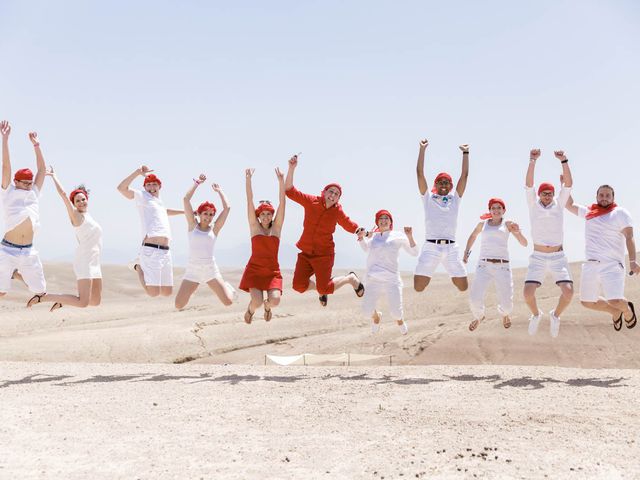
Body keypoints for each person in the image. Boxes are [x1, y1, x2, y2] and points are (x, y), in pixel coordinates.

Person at [284, 154, 365, 306]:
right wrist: (291, 168)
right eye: (331, 191)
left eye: (336, 194)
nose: (333, 195)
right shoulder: (311, 201)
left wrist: (358, 230)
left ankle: (350, 279)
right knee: (298, 286)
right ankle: (322, 290)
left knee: (325, 287)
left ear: (338, 199)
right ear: (324, 192)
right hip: (306, 253)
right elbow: (289, 191)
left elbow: (348, 224)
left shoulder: (337, 211)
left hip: (324, 255)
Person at [26, 167, 102, 310]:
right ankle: (44, 297)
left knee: (96, 301)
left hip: (95, 261)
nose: (81, 202)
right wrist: (54, 176)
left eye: (83, 199)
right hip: (85, 261)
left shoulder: (89, 216)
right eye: (77, 201)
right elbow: (63, 194)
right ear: (73, 204)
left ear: (87, 199)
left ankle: (65, 300)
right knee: (83, 303)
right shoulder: (76, 216)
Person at [566, 185, 638, 330]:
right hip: (591, 265)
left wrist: (633, 261)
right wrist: (566, 187)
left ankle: (626, 309)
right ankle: (614, 311)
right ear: (597, 196)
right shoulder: (589, 212)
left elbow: (629, 237)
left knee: (615, 300)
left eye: (607, 196)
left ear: (613, 198)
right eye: (601, 195)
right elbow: (569, 205)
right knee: (586, 302)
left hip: (612, 265)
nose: (604, 198)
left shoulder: (620, 213)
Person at [523, 149, 574, 337]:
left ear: (553, 194)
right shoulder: (533, 204)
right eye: (543, 193)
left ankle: (555, 315)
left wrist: (564, 160)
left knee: (568, 293)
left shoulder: (559, 204)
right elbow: (528, 184)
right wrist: (532, 160)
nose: (546, 195)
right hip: (538, 256)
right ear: (539, 194)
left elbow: (568, 184)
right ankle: (536, 315)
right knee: (528, 294)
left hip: (557, 256)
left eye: (549, 193)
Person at [117, 166, 183, 297]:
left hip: (165, 250)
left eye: (154, 184)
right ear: (145, 187)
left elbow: (165, 211)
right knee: (153, 293)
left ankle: (141, 264)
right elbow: (121, 188)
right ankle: (138, 266)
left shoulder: (159, 202)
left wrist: (187, 213)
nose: (151, 187)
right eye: (148, 184)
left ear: (159, 186)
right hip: (150, 250)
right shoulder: (142, 196)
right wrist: (137, 172)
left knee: (167, 292)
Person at [463, 198, 528, 331]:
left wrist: (517, 232)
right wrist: (466, 253)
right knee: (474, 299)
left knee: (507, 305)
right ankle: (479, 317)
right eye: (493, 208)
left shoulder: (508, 224)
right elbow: (473, 236)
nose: (496, 210)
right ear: (490, 210)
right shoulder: (483, 224)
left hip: (502, 267)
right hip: (483, 265)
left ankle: (504, 315)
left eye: (499, 208)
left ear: (504, 210)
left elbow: (524, 243)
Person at [414, 139, 470, 293]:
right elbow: (419, 173)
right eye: (440, 182)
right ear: (435, 185)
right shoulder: (428, 198)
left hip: (451, 247)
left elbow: (464, 176)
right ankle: (433, 266)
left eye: (447, 182)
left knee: (463, 287)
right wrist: (422, 149)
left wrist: (465, 153)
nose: (444, 185)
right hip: (431, 246)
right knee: (418, 287)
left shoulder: (455, 199)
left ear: (451, 186)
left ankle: (449, 267)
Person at [0, 121, 47, 301]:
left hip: (28, 251)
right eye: (25, 183)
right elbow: (6, 167)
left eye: (30, 182)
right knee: (2, 292)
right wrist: (5, 139)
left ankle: (17, 273)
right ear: (16, 181)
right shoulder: (8, 191)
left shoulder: (34, 193)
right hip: (8, 250)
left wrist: (36, 145)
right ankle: (13, 272)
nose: (29, 186)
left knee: (40, 290)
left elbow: (42, 169)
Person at [174, 175, 234, 309]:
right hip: (193, 270)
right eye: (205, 213)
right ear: (199, 214)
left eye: (211, 214)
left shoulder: (215, 229)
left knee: (228, 302)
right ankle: (194, 287)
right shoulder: (192, 226)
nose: (208, 216)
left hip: (210, 269)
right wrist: (196, 184)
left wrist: (219, 191)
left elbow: (227, 208)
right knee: (179, 305)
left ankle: (228, 287)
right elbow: (185, 199)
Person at [357, 210, 418, 335]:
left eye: (386, 218)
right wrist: (361, 237)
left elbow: (414, 252)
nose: (384, 220)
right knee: (366, 311)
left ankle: (400, 321)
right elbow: (365, 248)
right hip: (373, 279)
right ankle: (376, 317)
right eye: (381, 218)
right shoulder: (373, 236)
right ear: (377, 222)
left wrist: (410, 236)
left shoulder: (397, 235)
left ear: (390, 222)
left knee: (396, 312)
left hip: (392, 279)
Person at [239, 167, 286, 323]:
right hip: (255, 270)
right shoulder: (254, 227)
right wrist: (248, 180)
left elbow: (282, 202)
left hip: (272, 271)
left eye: (268, 214)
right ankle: (251, 310)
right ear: (258, 216)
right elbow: (249, 200)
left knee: (275, 301)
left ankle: (268, 307)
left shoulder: (277, 228)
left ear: (272, 215)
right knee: (256, 301)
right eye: (262, 214)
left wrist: (281, 181)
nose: (265, 217)